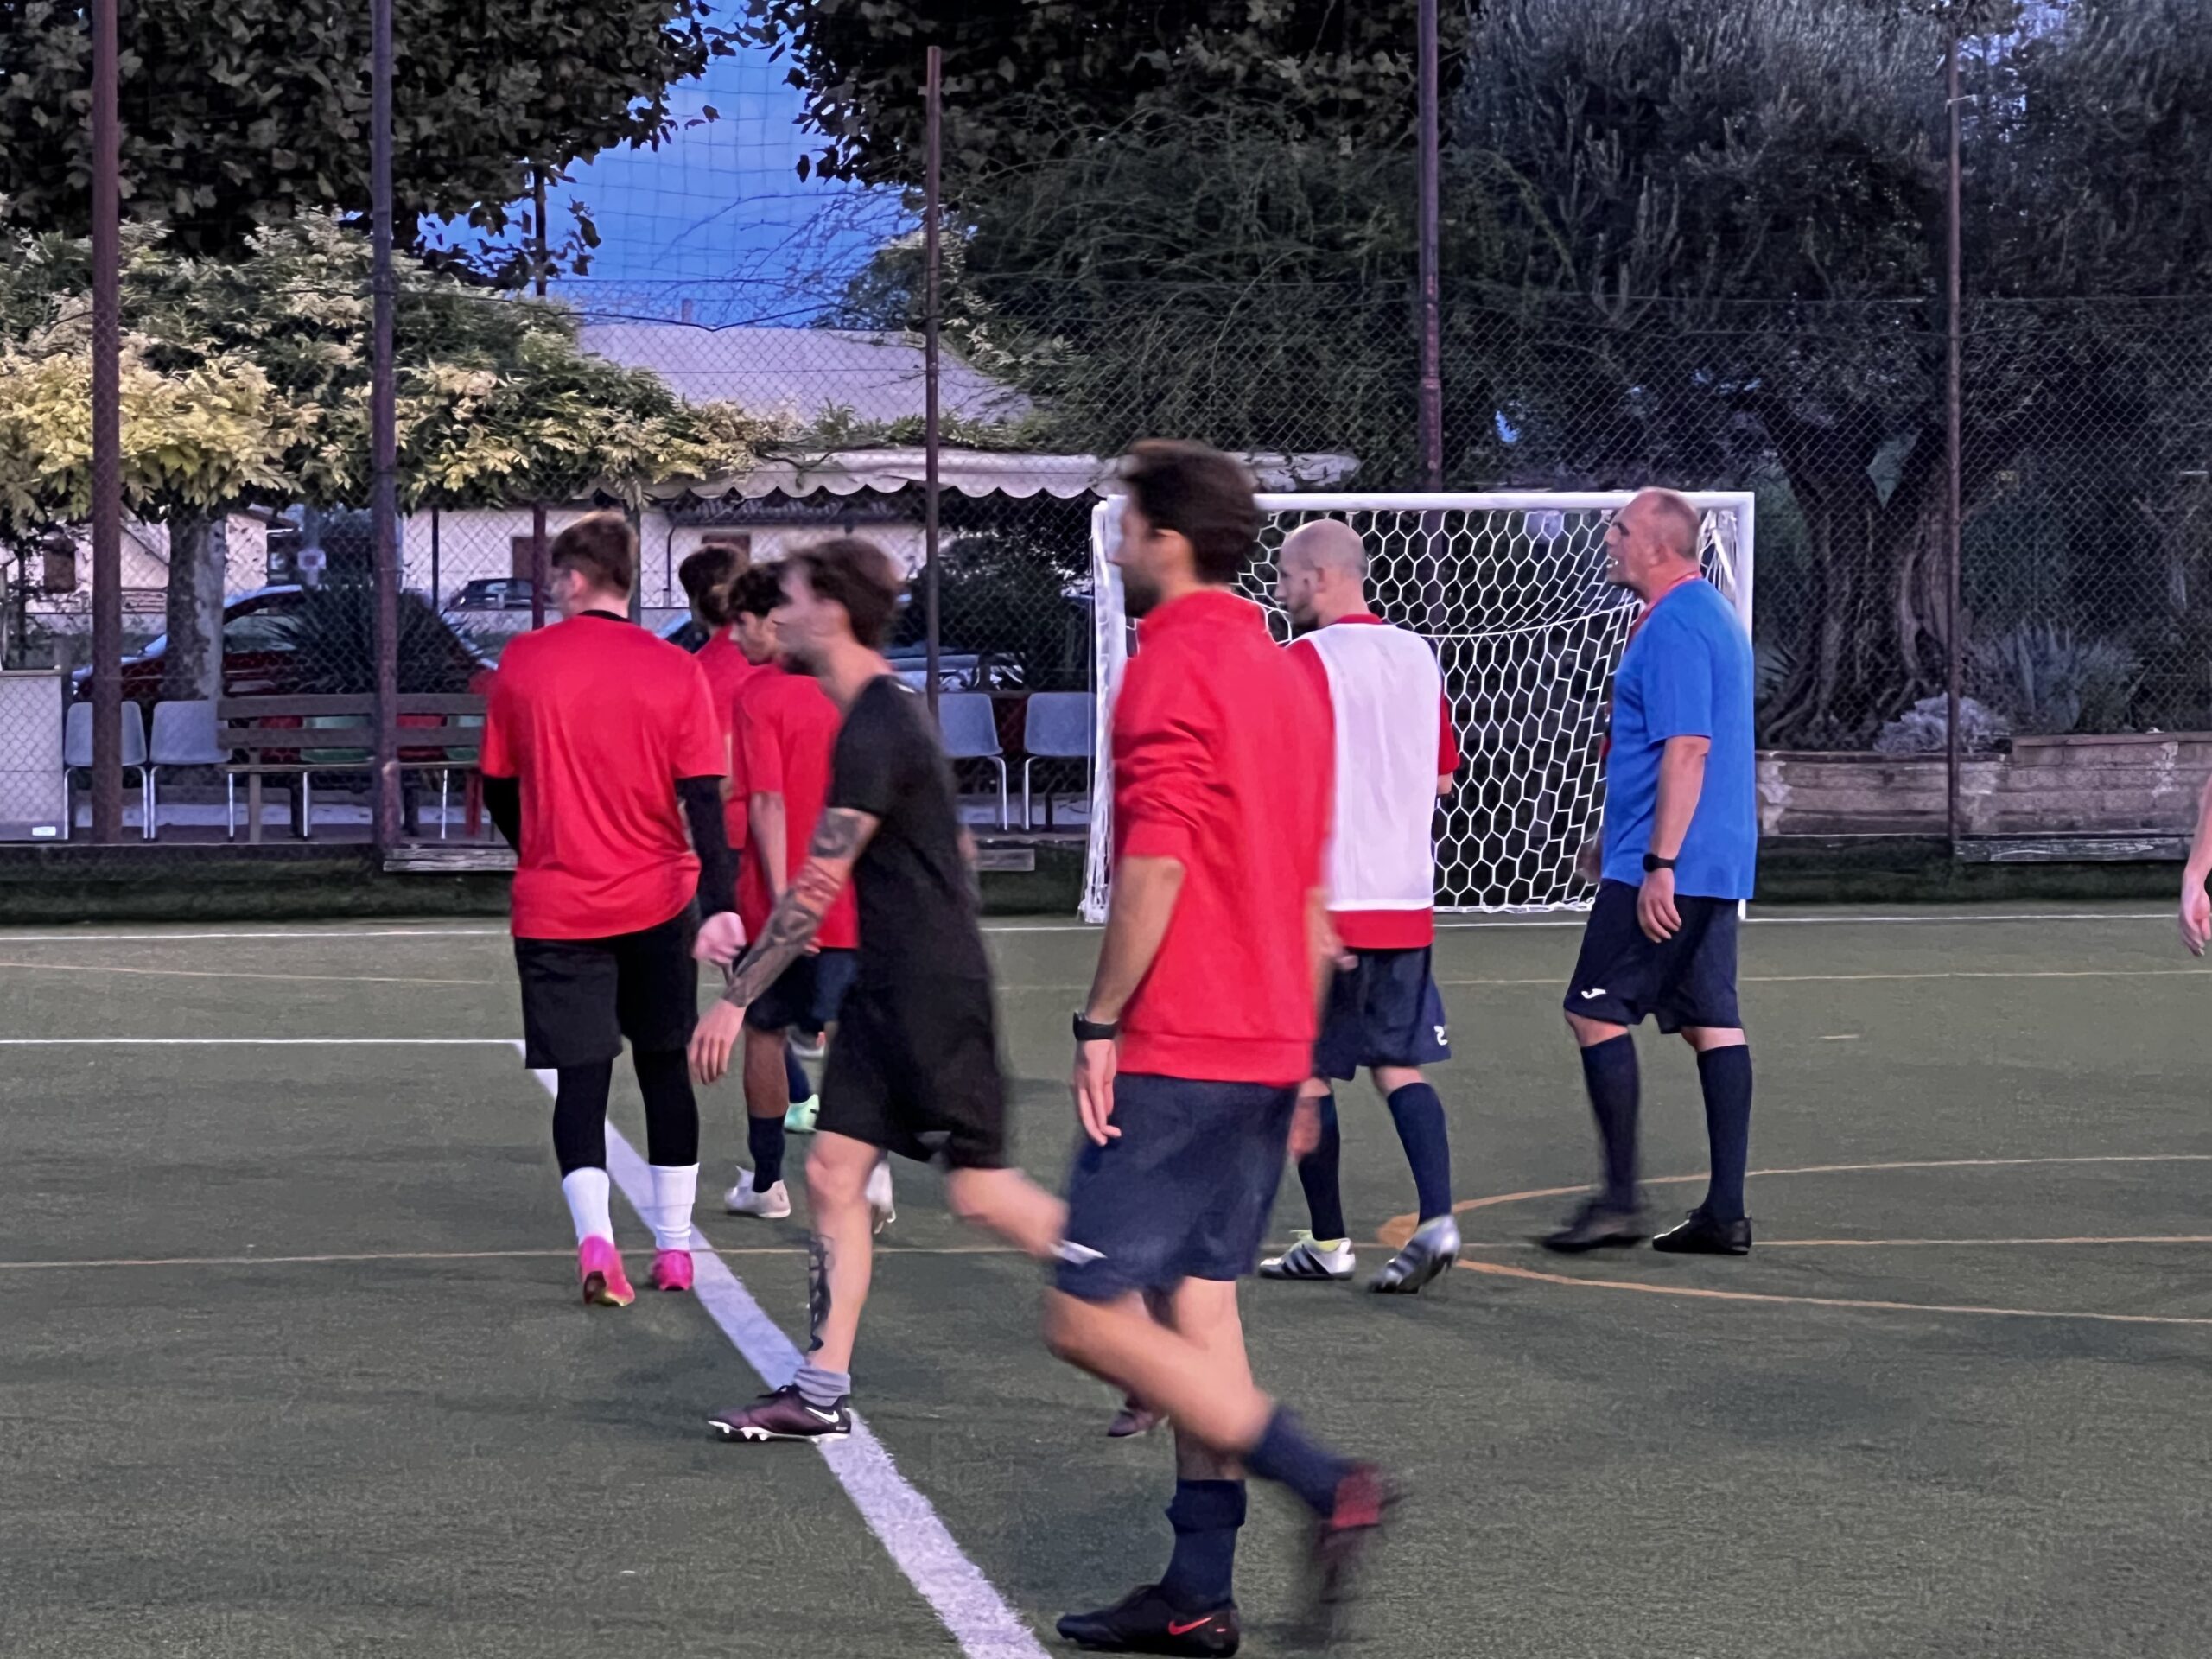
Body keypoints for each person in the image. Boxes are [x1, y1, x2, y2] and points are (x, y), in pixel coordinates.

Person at [1049, 443, 1389, 1656]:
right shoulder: (1289, 675)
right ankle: (1197, 1595)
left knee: (1083, 1319)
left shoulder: (1169, 666)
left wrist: (1100, 1022)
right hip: (1265, 1046)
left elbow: (1155, 865)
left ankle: (1327, 1480)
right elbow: (1310, 891)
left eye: (1128, 524)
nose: (1117, 543)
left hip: (1183, 1045)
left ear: (1168, 538)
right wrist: (1301, 1061)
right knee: (1197, 1313)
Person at [688, 538, 1065, 1441]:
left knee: (982, 1195)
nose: (778, 615)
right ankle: (818, 1391)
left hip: (930, 991)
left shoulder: (877, 723)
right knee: (831, 1172)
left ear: (831, 610)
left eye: (792, 598)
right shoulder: (873, 712)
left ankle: (1141, 1308)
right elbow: (952, 847)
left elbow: (817, 886)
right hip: (887, 986)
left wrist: (737, 997)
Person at [480, 513, 745, 1306]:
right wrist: (721, 904)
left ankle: (596, 1241)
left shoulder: (525, 661)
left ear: (573, 578)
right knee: (665, 1069)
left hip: (557, 903)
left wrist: (540, 846)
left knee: (582, 1080)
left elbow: (498, 784)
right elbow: (704, 799)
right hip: (660, 898)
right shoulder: (676, 669)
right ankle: (675, 1250)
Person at [1541, 488, 1759, 1257]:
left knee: (1593, 1011)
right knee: (1711, 1022)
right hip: (1712, 857)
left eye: (1622, 528)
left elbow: (1688, 747)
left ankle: (1620, 1202)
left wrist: (1657, 862)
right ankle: (1724, 1213)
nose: (1610, 538)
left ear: (1660, 546)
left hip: (1672, 862)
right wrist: (1616, 838)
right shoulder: (1707, 615)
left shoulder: (1675, 625)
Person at [1262, 518, 1465, 1293]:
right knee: (1398, 1065)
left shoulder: (1303, 661)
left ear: (1319, 576)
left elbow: (1283, 785)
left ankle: (1328, 1241)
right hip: (1406, 898)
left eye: (1285, 577)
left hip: (1327, 904)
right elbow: (1443, 778)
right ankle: (1437, 1218)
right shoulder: (1418, 654)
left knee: (1307, 1074)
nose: (1280, 591)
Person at [716, 565, 874, 1224]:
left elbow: (768, 802)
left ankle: (767, 1183)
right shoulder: (861, 689)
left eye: (742, 623)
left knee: (764, 1032)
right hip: (853, 897)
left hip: (779, 901)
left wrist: (788, 905)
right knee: (856, 1037)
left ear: (774, 620)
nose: (734, 637)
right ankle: (871, 1178)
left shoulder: (759, 695)